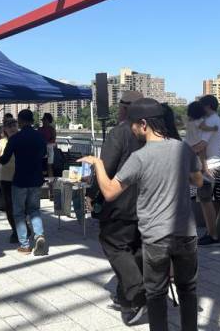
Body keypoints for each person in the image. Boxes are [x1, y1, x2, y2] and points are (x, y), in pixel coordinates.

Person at [80, 98, 202, 331]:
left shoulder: (140, 157)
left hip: (156, 237)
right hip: (186, 234)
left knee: (156, 294)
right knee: (188, 290)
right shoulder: (182, 148)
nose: (133, 129)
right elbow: (197, 180)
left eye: (134, 125)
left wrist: (97, 163)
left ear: (144, 124)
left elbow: (109, 192)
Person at [87, 90, 147, 325]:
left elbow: (106, 166)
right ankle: (126, 297)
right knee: (135, 248)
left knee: (113, 244)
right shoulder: (158, 133)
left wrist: (93, 193)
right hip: (149, 202)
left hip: (121, 201)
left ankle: (136, 292)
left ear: (124, 108)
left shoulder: (119, 132)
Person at [0, 109, 48, 256]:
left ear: (20, 121)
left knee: (18, 213)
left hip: (20, 179)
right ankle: (39, 235)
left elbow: (5, 159)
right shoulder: (39, 137)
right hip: (36, 179)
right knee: (34, 210)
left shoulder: (15, 138)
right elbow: (44, 154)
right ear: (32, 120)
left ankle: (25, 245)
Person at [195, 94, 220, 246]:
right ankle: (211, 232)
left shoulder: (210, 121)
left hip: (209, 166)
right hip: (214, 164)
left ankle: (213, 236)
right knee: (206, 200)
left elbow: (201, 145)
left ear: (207, 106)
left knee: (205, 201)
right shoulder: (217, 120)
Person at [0, 119, 18, 243]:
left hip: (21, 177)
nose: (12, 128)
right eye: (9, 126)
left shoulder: (21, 140)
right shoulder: (1, 142)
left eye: (14, 125)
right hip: (6, 178)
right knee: (9, 206)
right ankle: (15, 230)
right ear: (5, 130)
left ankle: (23, 228)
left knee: (21, 206)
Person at [38, 113, 57, 178]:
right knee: (40, 166)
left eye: (44, 120)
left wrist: (46, 142)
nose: (43, 121)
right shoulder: (39, 129)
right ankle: (40, 181)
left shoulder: (52, 130)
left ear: (48, 120)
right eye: (43, 120)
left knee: (49, 166)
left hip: (49, 149)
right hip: (40, 150)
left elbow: (53, 140)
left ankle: (51, 182)